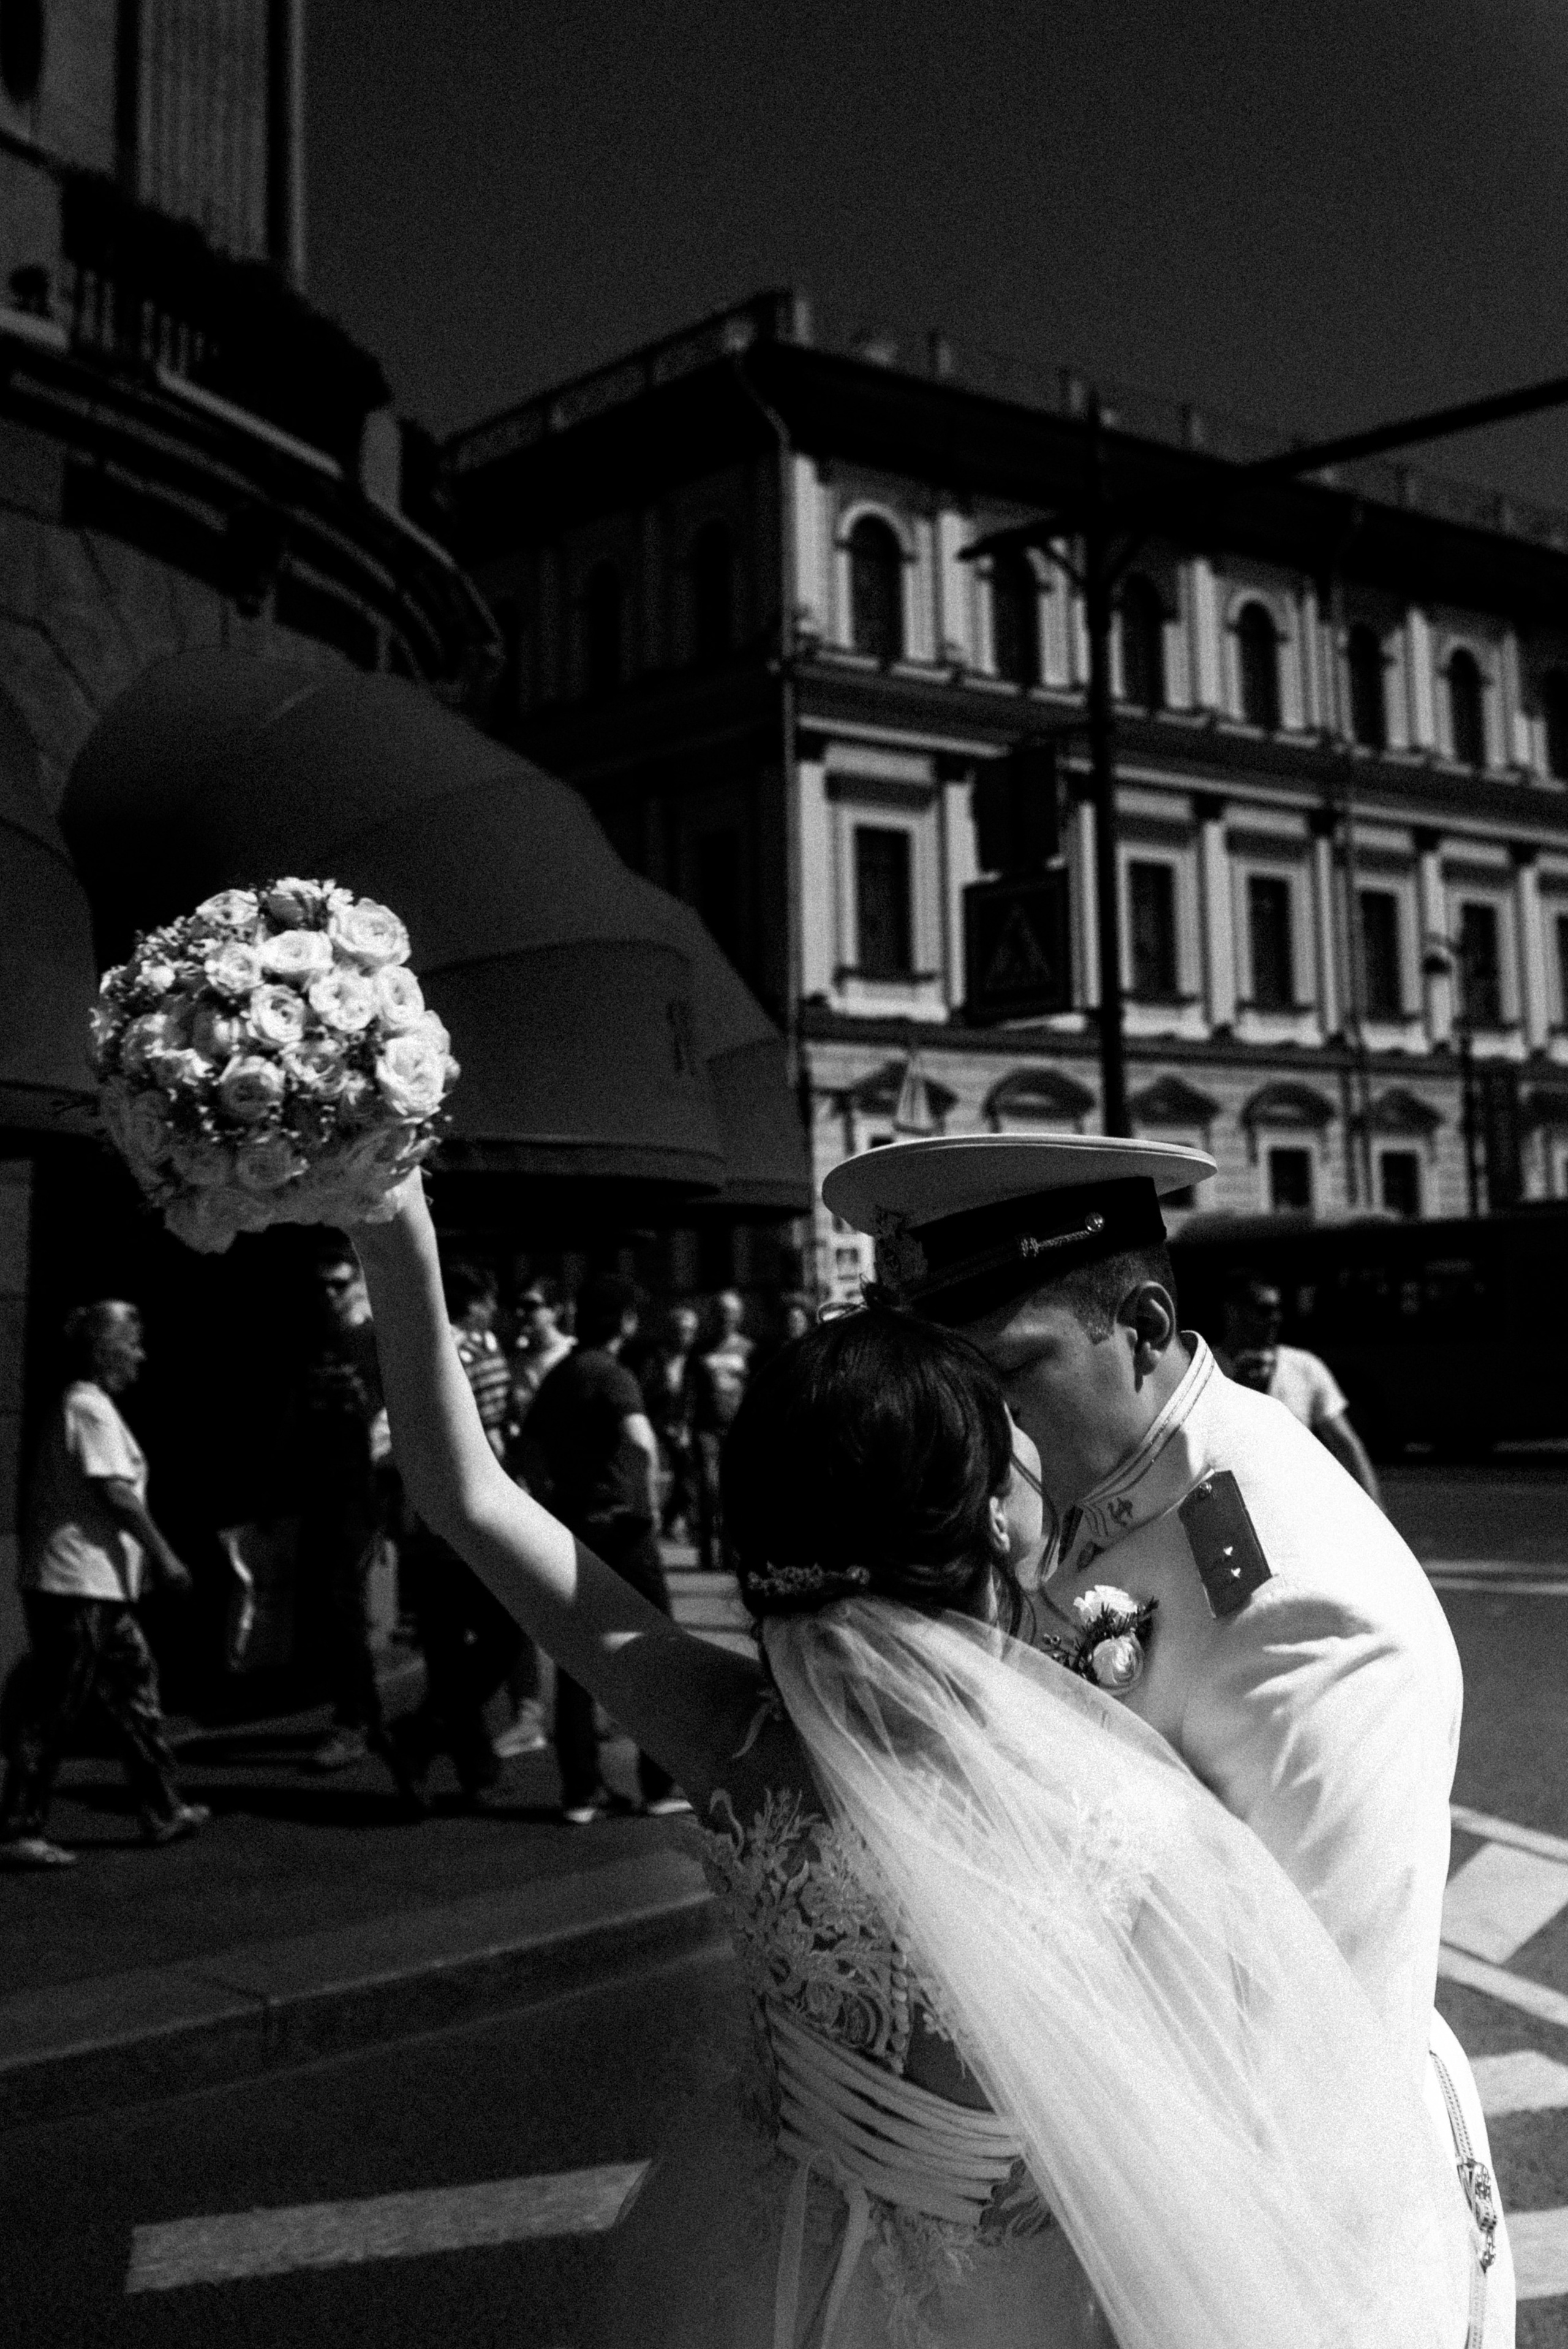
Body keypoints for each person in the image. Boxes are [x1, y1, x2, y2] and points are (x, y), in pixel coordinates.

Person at [350, 1172, 1475, 2348]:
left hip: (776, 2242)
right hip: (1023, 2293)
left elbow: (464, 1493)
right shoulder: (1120, 1808)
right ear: (994, 1516)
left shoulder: (733, 1732)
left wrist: (395, 1228)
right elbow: (1253, 2097)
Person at [823, 1129, 1512, 2343]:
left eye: (1007, 1378)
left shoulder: (1300, 1614)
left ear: (1140, 1328)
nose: (976, 1435)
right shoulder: (1088, 1483)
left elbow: (1310, 2085)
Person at [0, 1301, 208, 1867]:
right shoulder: (87, 1408)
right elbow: (115, 1493)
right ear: (106, 1351)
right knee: (56, 1704)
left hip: (100, 1585)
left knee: (136, 1691)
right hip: (75, 1583)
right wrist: (166, 1558)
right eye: (133, 1344)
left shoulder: (92, 1407)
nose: (141, 1355)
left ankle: (162, 1809)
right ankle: (19, 1828)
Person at [518, 1273, 687, 1824]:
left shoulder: (562, 1375)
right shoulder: (614, 1376)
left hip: (573, 1528)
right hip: (624, 1528)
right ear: (628, 1322)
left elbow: (528, 1451)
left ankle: (581, 1792)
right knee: (655, 1652)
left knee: (576, 1659)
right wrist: (652, 1497)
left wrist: (552, 1495)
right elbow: (639, 1438)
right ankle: (658, 1785)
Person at [392, 1258, 527, 1804]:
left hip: (425, 1518)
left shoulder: (413, 1350)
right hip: (474, 1518)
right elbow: (495, 1440)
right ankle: (433, 1740)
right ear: (479, 1304)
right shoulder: (479, 1351)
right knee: (504, 1634)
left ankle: (463, 1760)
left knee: (448, 1650)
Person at [292, 1246, 401, 1779]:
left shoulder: (377, 1340)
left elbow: (394, 1420)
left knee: (343, 1602)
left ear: (359, 1282)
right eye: (321, 1286)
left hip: (361, 1490)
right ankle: (365, 1716)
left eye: (338, 1283)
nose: (328, 1295)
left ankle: (354, 1721)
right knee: (335, 1603)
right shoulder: (319, 1339)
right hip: (324, 1486)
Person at [1215, 1269, 1382, 1503]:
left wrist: (1377, 1515)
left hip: (1296, 1508)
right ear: (1232, 1312)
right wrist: (1237, 1386)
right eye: (1265, 1310)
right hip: (1234, 1508)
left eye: (1278, 1309)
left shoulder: (1305, 1367)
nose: (1276, 1318)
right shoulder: (1206, 1368)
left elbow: (1348, 1445)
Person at [691, 1288, 752, 1572]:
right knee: (709, 1487)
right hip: (706, 1428)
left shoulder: (748, 1349)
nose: (724, 1316)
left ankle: (731, 1553)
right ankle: (706, 1550)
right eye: (719, 1311)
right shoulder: (700, 1350)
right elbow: (688, 1390)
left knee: (733, 1490)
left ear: (739, 1316)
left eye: (730, 1311)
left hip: (738, 1428)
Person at [640, 1301, 699, 1543]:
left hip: (687, 1428)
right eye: (680, 1329)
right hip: (659, 1427)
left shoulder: (696, 1360)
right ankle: (667, 1524)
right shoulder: (655, 1359)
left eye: (689, 1330)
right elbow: (644, 1395)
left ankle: (674, 1523)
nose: (684, 1335)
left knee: (689, 1479)